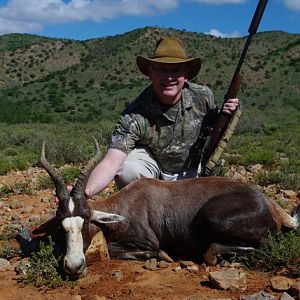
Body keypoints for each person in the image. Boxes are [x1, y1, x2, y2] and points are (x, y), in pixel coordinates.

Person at [85, 37, 239, 198]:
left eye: (175, 70)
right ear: (150, 73)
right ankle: (148, 208)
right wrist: (86, 191)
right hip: (153, 173)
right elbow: (111, 163)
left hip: (190, 170)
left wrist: (228, 112)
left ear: (186, 74)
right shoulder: (134, 114)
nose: (169, 77)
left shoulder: (203, 96)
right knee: (128, 171)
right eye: (161, 69)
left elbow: (215, 126)